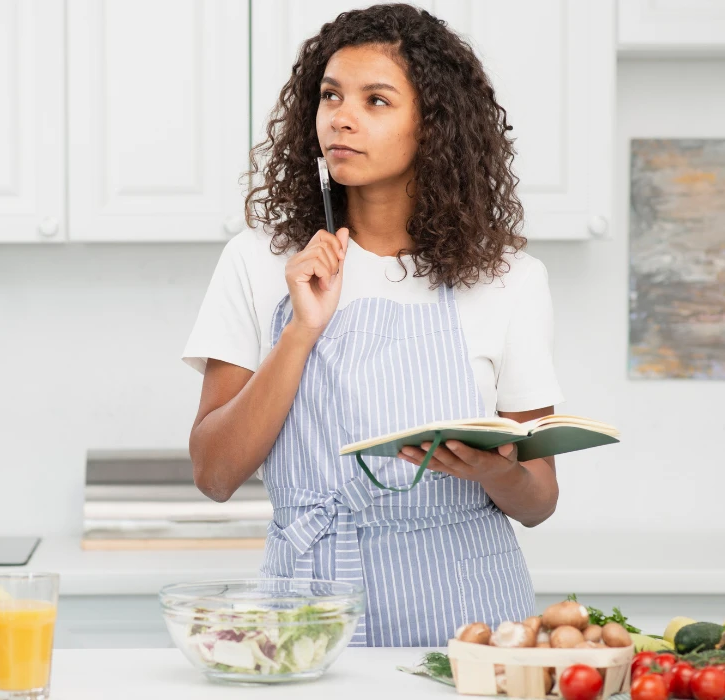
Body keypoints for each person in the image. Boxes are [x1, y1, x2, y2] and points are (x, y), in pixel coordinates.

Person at [181, 3, 563, 647]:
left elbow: (540, 500)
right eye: (331, 95)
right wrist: (300, 331)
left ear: (434, 126)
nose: (342, 117)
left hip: (467, 623)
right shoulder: (261, 259)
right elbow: (214, 475)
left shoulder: (509, 279)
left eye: (376, 100)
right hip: (309, 617)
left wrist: (491, 471)